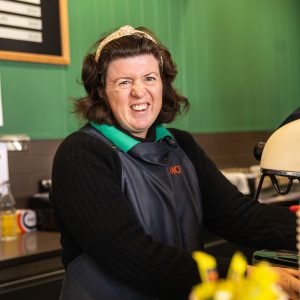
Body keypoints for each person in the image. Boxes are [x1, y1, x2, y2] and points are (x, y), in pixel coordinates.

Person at [50, 25, 300, 300]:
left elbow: (238, 215)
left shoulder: (181, 145)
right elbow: (131, 255)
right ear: (100, 91)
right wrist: (247, 276)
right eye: (124, 82)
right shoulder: (81, 153)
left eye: (149, 78)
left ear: (163, 83)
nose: (139, 92)